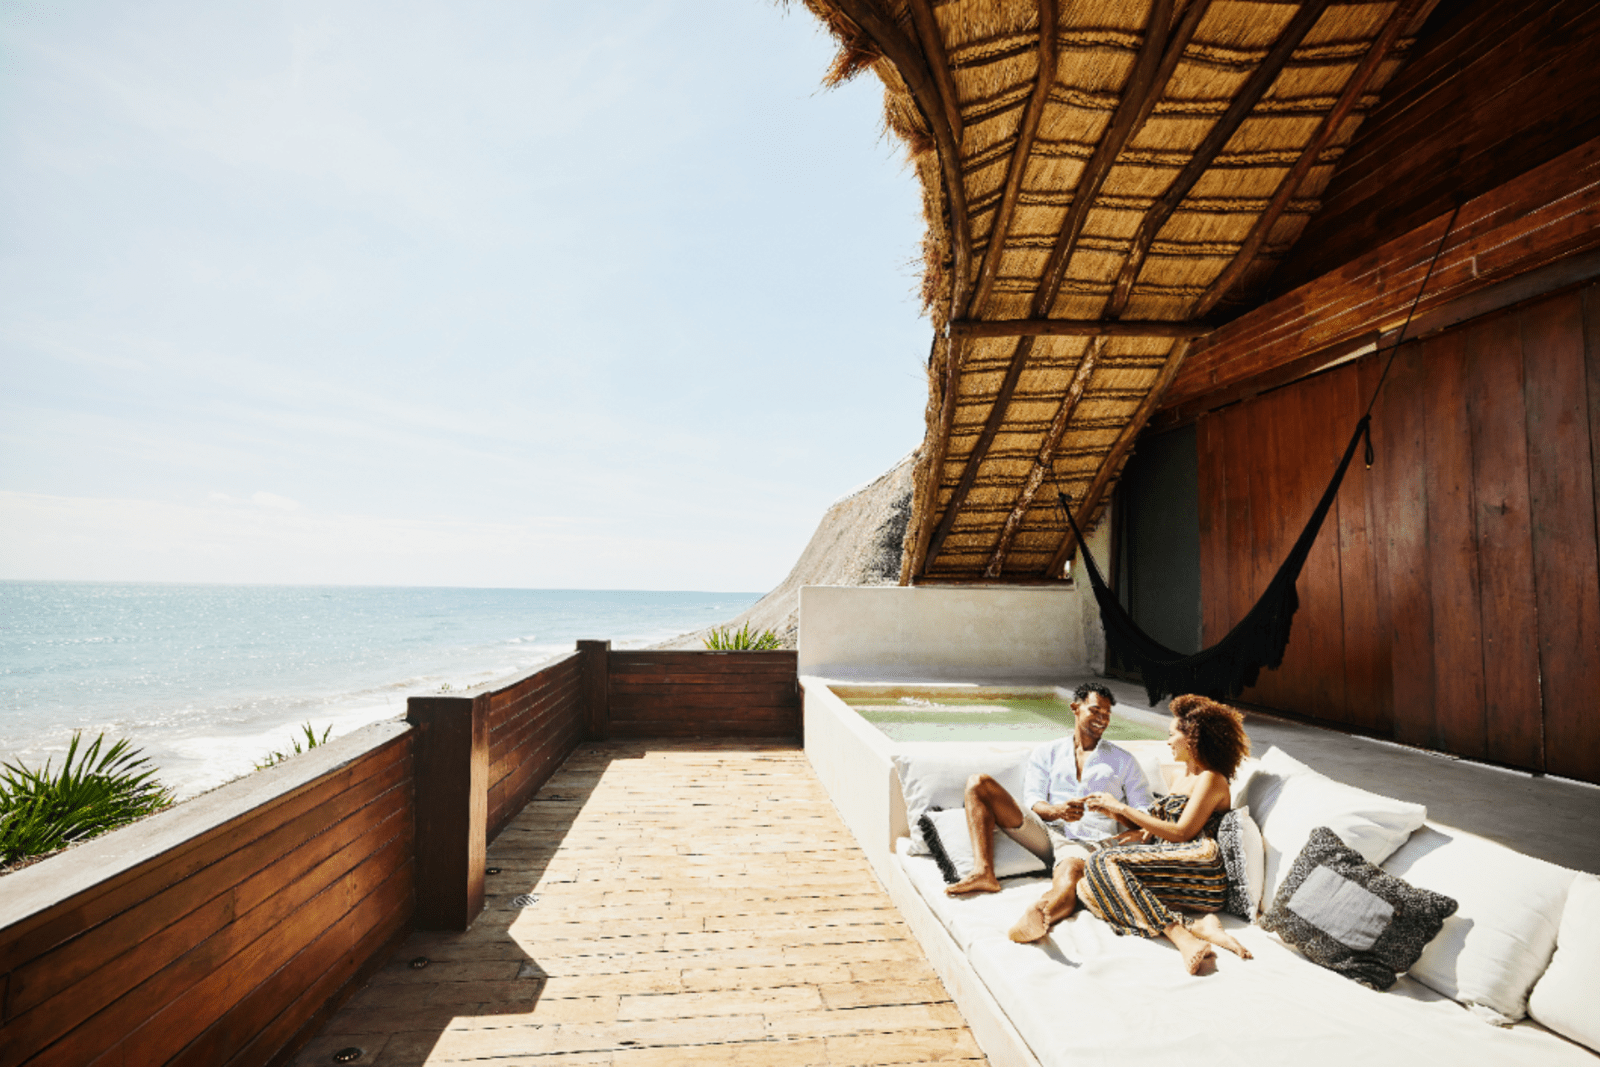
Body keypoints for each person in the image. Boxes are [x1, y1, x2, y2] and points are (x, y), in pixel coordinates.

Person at [944, 682, 1153, 945]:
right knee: (979, 784)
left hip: (1085, 841)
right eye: (1095, 711)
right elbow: (1034, 799)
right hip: (1045, 831)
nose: (1102, 719)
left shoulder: (1123, 760)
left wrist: (1114, 811)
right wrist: (1058, 811)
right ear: (1075, 708)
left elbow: (1145, 813)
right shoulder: (1047, 752)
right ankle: (984, 872)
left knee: (1067, 878)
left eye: (1107, 714)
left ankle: (1041, 915)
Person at [1079, 693, 1253, 975]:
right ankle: (1197, 925)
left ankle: (1180, 935)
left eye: (1173, 734)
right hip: (1173, 864)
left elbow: (1182, 832)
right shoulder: (1180, 776)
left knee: (1102, 863)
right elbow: (1158, 827)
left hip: (1201, 866)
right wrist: (1112, 811)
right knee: (1086, 888)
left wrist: (1122, 806)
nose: (1168, 741)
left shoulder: (1211, 778)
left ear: (1193, 738)